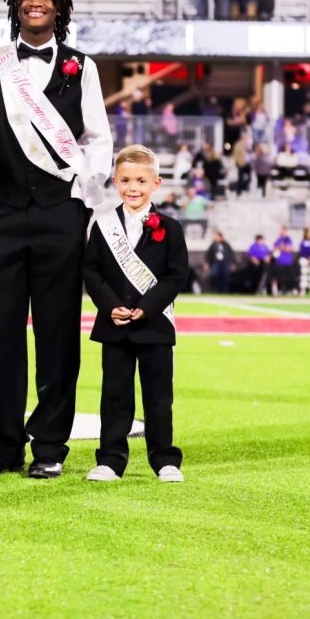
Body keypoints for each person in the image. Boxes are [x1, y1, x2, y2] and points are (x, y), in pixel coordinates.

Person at [0, 0, 112, 479]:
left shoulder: (83, 67)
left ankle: (49, 445)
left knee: (57, 333)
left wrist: (79, 200)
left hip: (59, 216)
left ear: (59, 5)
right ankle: (5, 445)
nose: (35, 3)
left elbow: (98, 139)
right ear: (16, 3)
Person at [83, 145, 189, 483]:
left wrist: (146, 308)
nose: (133, 187)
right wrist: (109, 305)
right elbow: (92, 271)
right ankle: (111, 460)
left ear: (156, 183)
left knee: (158, 397)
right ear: (115, 181)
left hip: (155, 325)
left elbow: (176, 275)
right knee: (115, 395)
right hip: (114, 325)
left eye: (141, 181)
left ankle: (164, 459)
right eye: (126, 180)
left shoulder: (170, 227)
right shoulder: (103, 225)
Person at [270, 224, 296, 295]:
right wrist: (280, 247)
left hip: (286, 262)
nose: (280, 231)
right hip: (278, 262)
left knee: (287, 278)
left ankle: (289, 290)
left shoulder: (288, 239)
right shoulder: (278, 239)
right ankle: (276, 291)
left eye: (281, 230)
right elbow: (275, 247)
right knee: (276, 277)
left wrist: (282, 247)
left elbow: (289, 249)